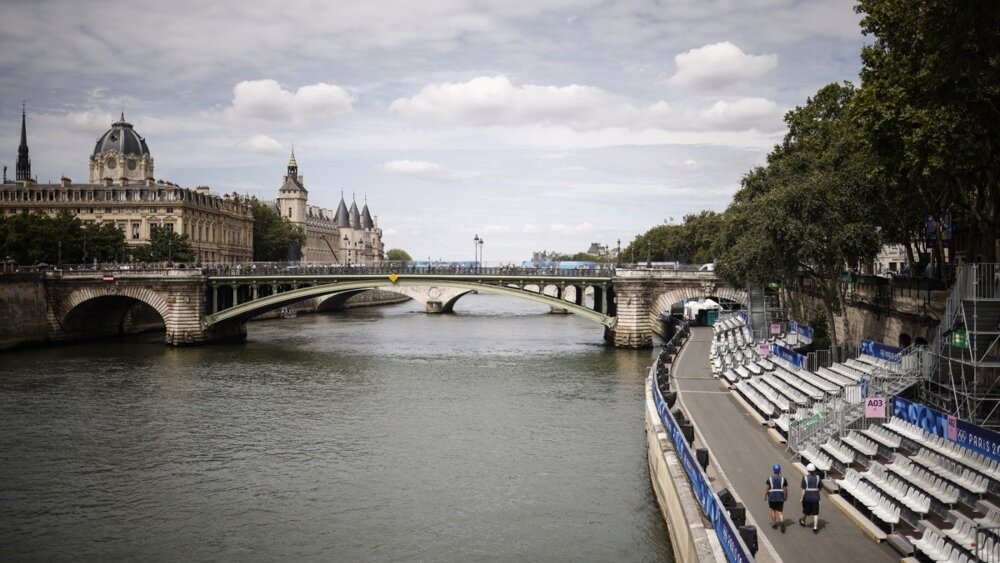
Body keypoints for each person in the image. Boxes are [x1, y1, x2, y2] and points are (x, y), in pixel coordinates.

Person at [764, 463, 789, 533]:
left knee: (773, 510)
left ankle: (774, 524)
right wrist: (786, 496)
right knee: (780, 511)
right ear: (780, 470)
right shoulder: (783, 479)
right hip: (780, 497)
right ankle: (781, 522)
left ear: (773, 470)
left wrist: (765, 496)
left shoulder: (769, 479)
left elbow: (767, 488)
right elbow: (785, 489)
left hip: (772, 497)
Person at [800, 463, 822, 533]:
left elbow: (803, 489)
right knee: (816, 513)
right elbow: (820, 487)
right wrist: (817, 492)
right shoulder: (818, 478)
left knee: (806, 511)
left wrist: (801, 498)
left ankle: (802, 521)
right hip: (816, 498)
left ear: (808, 470)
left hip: (807, 497)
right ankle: (815, 528)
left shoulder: (805, 478)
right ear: (814, 470)